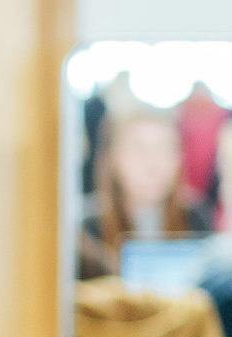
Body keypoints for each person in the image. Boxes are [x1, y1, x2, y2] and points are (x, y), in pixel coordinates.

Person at [78, 107, 211, 279]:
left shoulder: (195, 218)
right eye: (139, 149)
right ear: (113, 157)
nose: (153, 164)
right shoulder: (88, 230)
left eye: (164, 149)